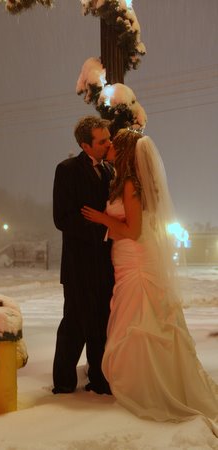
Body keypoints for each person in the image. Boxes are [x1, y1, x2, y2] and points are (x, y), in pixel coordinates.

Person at [81, 128, 218, 435]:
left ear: (127, 151)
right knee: (133, 321)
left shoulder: (131, 184)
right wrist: (109, 227)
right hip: (126, 260)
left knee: (140, 323)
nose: (111, 148)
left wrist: (102, 219)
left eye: (115, 145)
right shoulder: (123, 181)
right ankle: (140, 382)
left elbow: (132, 230)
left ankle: (146, 388)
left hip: (137, 264)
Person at [52, 115, 115, 395]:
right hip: (78, 266)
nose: (108, 144)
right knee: (74, 326)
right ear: (85, 145)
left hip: (106, 266)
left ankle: (100, 380)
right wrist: (102, 231)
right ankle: (64, 384)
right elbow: (63, 218)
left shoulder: (111, 171)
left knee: (101, 325)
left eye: (108, 138)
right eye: (102, 141)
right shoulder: (66, 170)